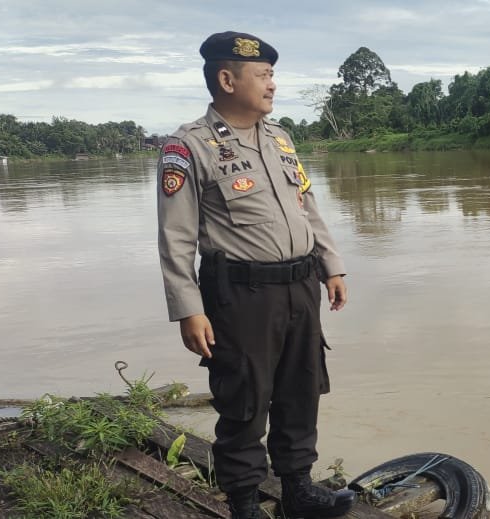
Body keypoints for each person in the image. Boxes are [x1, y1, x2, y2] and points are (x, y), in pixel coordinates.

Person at [156, 31, 355, 519]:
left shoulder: (280, 138)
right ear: (227, 79)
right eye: (263, 75)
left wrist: (332, 266)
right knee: (245, 401)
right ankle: (244, 504)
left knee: (301, 389)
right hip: (239, 295)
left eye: (271, 75)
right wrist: (189, 310)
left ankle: (299, 491)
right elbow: (175, 237)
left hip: (301, 287)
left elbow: (306, 206)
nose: (272, 85)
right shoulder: (189, 147)